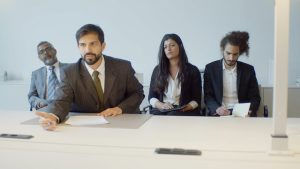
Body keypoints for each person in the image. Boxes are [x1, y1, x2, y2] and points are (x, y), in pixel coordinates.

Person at [36, 24, 144, 130]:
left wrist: (119, 108)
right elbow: (61, 101)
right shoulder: (69, 72)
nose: (88, 49)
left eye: (93, 44)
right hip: (86, 129)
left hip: (122, 125)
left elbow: (137, 93)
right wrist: (53, 116)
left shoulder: (122, 67)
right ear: (78, 47)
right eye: (83, 45)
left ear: (103, 46)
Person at [204, 31, 261, 117]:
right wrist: (217, 109)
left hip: (242, 115)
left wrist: (250, 110)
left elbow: (255, 97)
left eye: (235, 54)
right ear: (222, 50)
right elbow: (208, 96)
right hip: (219, 114)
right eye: (228, 53)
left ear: (239, 53)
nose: (231, 58)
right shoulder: (210, 69)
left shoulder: (248, 70)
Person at [148, 33, 202, 116]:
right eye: (165, 47)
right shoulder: (158, 70)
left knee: (173, 114)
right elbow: (151, 97)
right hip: (162, 110)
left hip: (184, 111)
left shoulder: (192, 70)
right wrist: (161, 105)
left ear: (180, 46)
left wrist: (188, 107)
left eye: (172, 45)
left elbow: (196, 99)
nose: (168, 49)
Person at [28, 41, 68, 111]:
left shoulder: (70, 68)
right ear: (39, 57)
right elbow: (32, 96)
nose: (45, 53)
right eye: (41, 52)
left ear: (55, 51)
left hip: (66, 110)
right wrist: (39, 102)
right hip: (44, 110)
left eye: (48, 49)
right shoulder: (36, 74)